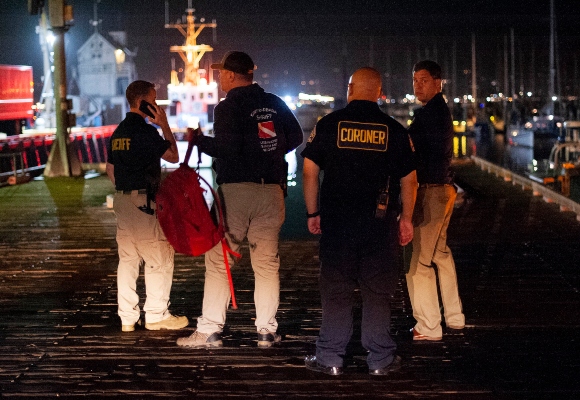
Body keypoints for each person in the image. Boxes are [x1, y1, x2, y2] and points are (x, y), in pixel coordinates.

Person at [176, 51, 303, 348]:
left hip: (236, 192)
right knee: (267, 265)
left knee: (220, 262)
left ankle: (209, 330)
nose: (219, 77)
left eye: (222, 73)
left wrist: (198, 139)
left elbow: (227, 150)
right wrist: (270, 151)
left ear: (232, 76)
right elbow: (296, 136)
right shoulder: (273, 102)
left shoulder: (227, 107)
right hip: (271, 191)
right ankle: (266, 331)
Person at [301, 67, 417, 376]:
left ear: (350, 89)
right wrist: (406, 218)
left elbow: (310, 171)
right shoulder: (395, 130)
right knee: (378, 293)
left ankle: (330, 357)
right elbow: (410, 181)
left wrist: (313, 212)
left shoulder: (328, 125)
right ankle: (380, 359)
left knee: (336, 291)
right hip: (380, 227)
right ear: (380, 92)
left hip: (338, 226)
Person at [106, 80, 189, 332]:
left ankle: (127, 318)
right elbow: (174, 156)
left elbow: (111, 169)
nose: (156, 104)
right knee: (158, 257)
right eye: (153, 100)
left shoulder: (118, 132)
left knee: (128, 260)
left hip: (122, 199)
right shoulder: (146, 132)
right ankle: (156, 314)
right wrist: (163, 125)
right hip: (143, 201)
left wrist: (125, 191)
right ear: (143, 102)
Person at [406, 60, 466, 341]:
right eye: (415, 80)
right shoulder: (438, 111)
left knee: (418, 263)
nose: (418, 84)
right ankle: (454, 317)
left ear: (438, 81)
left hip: (430, 190)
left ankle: (429, 326)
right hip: (444, 187)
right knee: (440, 254)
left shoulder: (430, 114)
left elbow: (413, 151)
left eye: (424, 79)